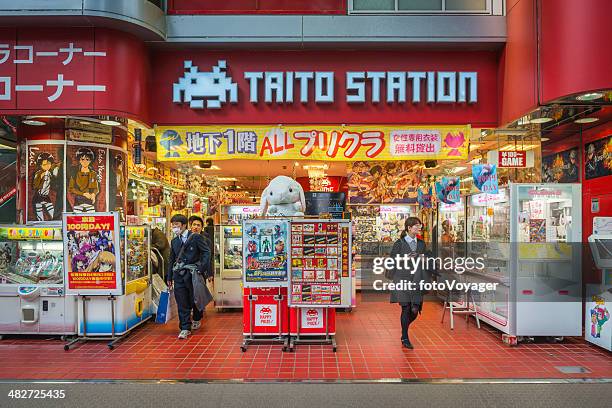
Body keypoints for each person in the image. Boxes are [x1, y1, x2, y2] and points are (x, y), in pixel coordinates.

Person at [388, 217, 432, 349]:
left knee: (415, 310)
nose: (419, 228)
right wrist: (405, 257)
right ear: (409, 228)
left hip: (417, 280)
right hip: (402, 278)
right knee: (406, 307)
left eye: (420, 225)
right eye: (416, 226)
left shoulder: (421, 244)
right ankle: (405, 337)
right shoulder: (399, 243)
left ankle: (404, 332)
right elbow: (392, 260)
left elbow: (428, 258)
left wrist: (422, 257)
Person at [167, 214, 211, 339]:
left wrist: (201, 268)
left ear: (184, 225)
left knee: (194, 298)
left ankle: (197, 317)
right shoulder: (174, 241)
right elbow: (171, 259)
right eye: (173, 225)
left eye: (177, 225)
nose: (174, 228)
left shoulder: (195, 237)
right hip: (179, 275)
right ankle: (185, 327)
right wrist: (169, 277)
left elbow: (206, 252)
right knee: (181, 301)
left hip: (193, 275)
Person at [68, 147, 99, 212]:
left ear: (90, 160)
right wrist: (83, 194)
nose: (85, 161)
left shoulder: (93, 173)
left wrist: (93, 194)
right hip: (78, 200)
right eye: (82, 159)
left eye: (87, 159)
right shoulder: (74, 172)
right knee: (76, 219)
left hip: (90, 201)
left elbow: (96, 188)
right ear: (79, 160)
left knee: (91, 218)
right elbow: (71, 189)